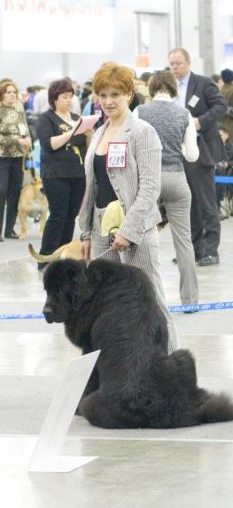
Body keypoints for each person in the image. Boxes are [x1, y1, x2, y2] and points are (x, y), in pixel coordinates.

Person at [78, 62, 178, 352]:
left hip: (135, 232)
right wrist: (84, 233)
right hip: (99, 230)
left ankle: (170, 364)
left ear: (129, 95)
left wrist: (129, 230)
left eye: (115, 95)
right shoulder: (98, 133)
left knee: (151, 302)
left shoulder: (143, 132)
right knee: (104, 305)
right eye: (103, 95)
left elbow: (150, 188)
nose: (108, 101)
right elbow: (91, 186)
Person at [136, 69, 200, 310]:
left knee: (142, 240)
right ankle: (190, 301)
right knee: (184, 242)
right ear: (173, 87)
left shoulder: (140, 111)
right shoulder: (185, 113)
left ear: (151, 88)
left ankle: (146, 299)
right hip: (176, 178)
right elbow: (193, 156)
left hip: (148, 180)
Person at [168, 47, 227, 266]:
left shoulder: (202, 83)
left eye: (178, 63)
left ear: (188, 62)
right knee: (187, 203)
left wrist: (200, 121)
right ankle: (193, 249)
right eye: (172, 64)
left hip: (201, 151)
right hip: (178, 152)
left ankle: (211, 250)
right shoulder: (169, 87)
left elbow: (222, 105)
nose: (174, 68)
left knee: (206, 203)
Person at [36, 79, 89, 268]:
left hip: (77, 173)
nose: (68, 100)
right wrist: (72, 132)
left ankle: (63, 256)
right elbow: (49, 144)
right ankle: (46, 257)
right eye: (64, 97)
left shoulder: (76, 117)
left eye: (70, 97)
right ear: (54, 99)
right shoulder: (46, 118)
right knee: (58, 214)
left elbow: (85, 146)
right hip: (56, 174)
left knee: (70, 216)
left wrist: (88, 133)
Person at [0, 81, 32, 241]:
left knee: (14, 193)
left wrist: (28, 141)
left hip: (18, 157)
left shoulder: (19, 108)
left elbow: (25, 128)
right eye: (8, 92)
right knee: (1, 191)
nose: (12, 94)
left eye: (14, 91)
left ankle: (9, 229)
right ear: (2, 94)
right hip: (2, 157)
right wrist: (15, 140)